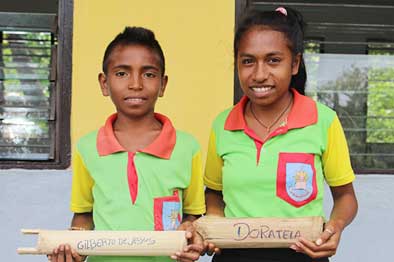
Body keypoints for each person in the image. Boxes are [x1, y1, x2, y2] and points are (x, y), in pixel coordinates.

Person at [203, 6, 358, 262]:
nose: (260, 74)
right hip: (234, 256)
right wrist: (215, 221)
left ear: (294, 63)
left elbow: (345, 197)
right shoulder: (222, 124)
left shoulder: (323, 121)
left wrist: (335, 226)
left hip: (304, 255)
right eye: (248, 61)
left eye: (273, 60)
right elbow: (213, 192)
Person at [49, 26, 205, 262]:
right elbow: (83, 216)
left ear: (163, 84)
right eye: (122, 73)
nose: (135, 84)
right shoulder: (88, 148)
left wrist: (192, 235)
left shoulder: (186, 147)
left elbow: (194, 216)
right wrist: (73, 249)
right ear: (104, 83)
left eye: (148, 74)